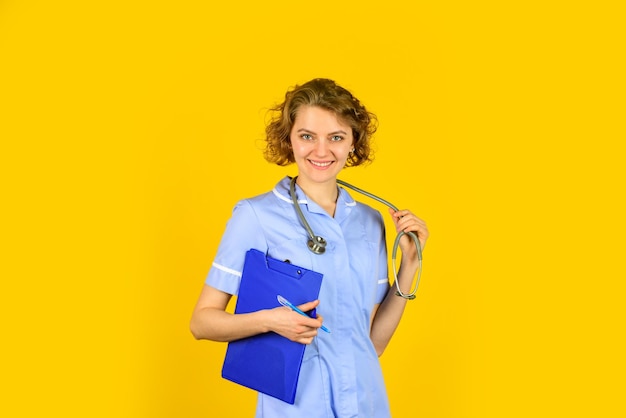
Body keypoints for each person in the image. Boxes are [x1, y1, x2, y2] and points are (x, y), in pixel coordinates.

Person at [190, 78, 429, 417]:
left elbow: (372, 344)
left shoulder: (369, 221)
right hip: (298, 407)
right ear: (289, 139)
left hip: (366, 403)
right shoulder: (255, 216)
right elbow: (202, 322)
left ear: (353, 143)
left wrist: (410, 265)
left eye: (336, 137)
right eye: (307, 136)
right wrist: (271, 321)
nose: (321, 151)